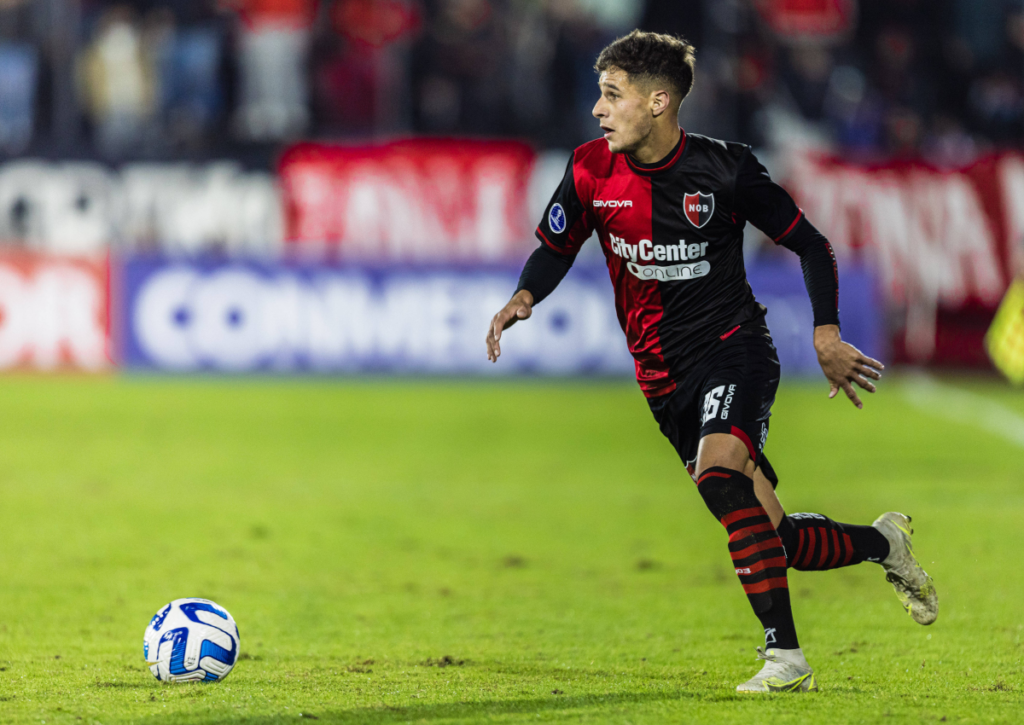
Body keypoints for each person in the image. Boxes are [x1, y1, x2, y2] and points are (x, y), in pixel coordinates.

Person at [485, 30, 938, 694]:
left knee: (721, 475)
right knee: (770, 534)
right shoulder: (588, 169)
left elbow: (811, 245)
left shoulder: (727, 170)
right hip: (662, 378)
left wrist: (826, 331)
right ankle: (884, 545)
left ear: (659, 101)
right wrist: (525, 293)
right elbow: (557, 245)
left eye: (613, 95)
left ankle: (786, 658)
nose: (597, 109)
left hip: (735, 349)